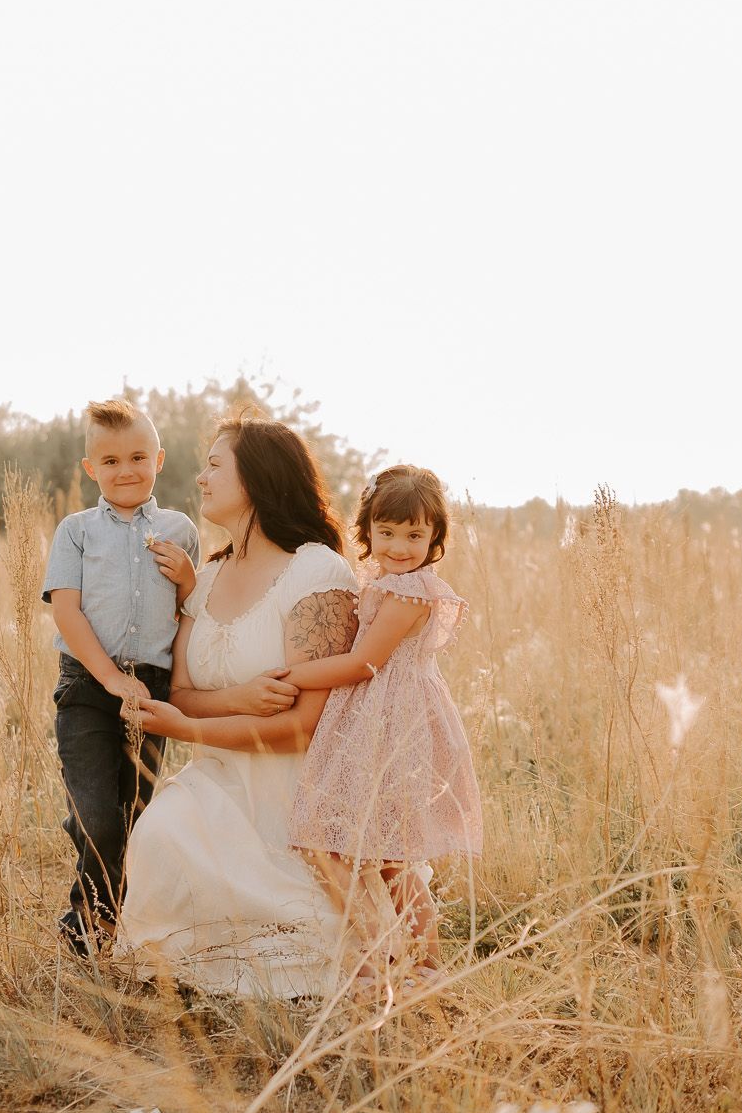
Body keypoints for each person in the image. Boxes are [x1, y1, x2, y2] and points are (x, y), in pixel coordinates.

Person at [114, 414, 363, 998]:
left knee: (302, 932)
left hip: (296, 793)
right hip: (217, 780)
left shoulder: (315, 571)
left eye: (214, 464)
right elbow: (179, 695)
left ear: (255, 477)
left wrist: (189, 727)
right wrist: (236, 701)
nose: (199, 478)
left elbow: (305, 727)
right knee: (158, 839)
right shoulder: (205, 579)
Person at [286, 465, 482, 982]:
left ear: (435, 537)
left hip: (394, 722)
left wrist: (289, 674)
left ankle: (408, 962)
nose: (398, 546)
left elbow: (363, 663)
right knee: (377, 850)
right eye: (387, 532)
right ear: (368, 531)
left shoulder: (411, 591)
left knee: (362, 848)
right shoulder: (387, 581)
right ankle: (393, 960)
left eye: (414, 534)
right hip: (377, 716)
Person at [42, 399, 201, 954]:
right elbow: (66, 611)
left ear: (158, 459)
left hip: (153, 688)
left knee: (135, 815)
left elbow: (192, 613)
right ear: (91, 470)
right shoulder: (76, 530)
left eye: (137, 456)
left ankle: (104, 922)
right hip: (88, 686)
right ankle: (85, 919)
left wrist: (188, 578)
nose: (125, 470)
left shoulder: (180, 528)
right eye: (109, 461)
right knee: (97, 818)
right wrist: (110, 679)